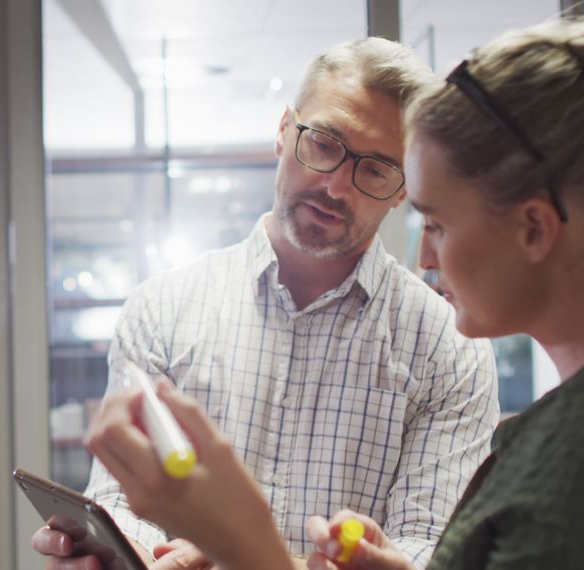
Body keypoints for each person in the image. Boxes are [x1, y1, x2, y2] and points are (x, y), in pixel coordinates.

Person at [84, 18, 584, 570]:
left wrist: (244, 544)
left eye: (437, 223)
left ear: (533, 227)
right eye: (325, 146)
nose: (424, 256)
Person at [33, 38, 500, 569]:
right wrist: (117, 552)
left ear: (403, 189)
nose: (336, 186)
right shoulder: (162, 307)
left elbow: (427, 552)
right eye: (324, 143)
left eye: (374, 170)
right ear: (284, 129)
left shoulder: (448, 348)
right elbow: (121, 496)